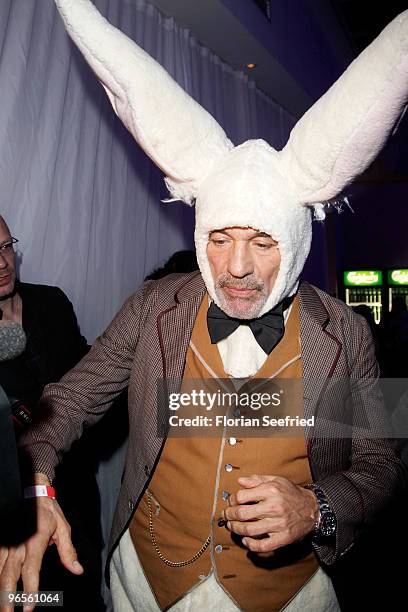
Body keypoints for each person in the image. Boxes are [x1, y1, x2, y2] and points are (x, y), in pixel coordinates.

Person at [2, 2, 408, 611]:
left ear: (296, 243)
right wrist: (32, 490)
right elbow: (68, 402)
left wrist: (316, 507)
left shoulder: (345, 334)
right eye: (219, 240)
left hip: (291, 595)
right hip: (144, 583)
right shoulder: (153, 307)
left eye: (262, 242)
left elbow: (384, 463)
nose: (236, 267)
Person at [0, 215, 105, 610]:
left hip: (75, 487)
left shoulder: (52, 302)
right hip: (16, 511)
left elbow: (87, 381)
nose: (2, 263)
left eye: (6, 247)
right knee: (34, 601)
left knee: (83, 592)